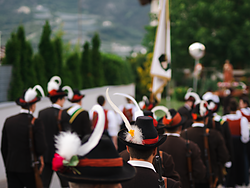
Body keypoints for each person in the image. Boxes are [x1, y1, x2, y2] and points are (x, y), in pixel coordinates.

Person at [52, 104, 136, 188]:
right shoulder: (108, 113)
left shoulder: (90, 113)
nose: (120, 186)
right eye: (117, 183)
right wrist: (114, 142)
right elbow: (113, 128)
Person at [1, 85, 47, 188]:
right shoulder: (36, 122)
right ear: (33, 105)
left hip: (11, 167)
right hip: (30, 168)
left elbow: (4, 147)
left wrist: (8, 164)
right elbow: (41, 148)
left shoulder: (9, 121)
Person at [180, 101, 230, 188]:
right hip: (210, 179)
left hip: (190, 179)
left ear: (193, 118)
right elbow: (224, 157)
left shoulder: (183, 134)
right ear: (207, 119)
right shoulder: (215, 134)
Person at [157, 107, 206, 188]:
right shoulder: (191, 146)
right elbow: (200, 173)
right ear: (180, 127)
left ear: (164, 128)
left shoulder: (156, 147)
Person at [38, 76, 69, 188]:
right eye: (64, 99)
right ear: (60, 99)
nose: (64, 101)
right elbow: (67, 136)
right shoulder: (64, 114)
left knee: (44, 183)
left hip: (46, 155)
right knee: (65, 184)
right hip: (59, 156)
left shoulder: (42, 113)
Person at [202, 91, 233, 185]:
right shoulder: (222, 122)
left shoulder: (201, 122)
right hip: (216, 160)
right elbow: (228, 142)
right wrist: (228, 159)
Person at [222, 98, 249, 187]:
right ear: (237, 108)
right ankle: (239, 180)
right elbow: (245, 136)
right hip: (238, 145)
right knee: (239, 163)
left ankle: (228, 181)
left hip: (227, 144)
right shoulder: (242, 120)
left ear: (229, 108)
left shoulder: (224, 119)